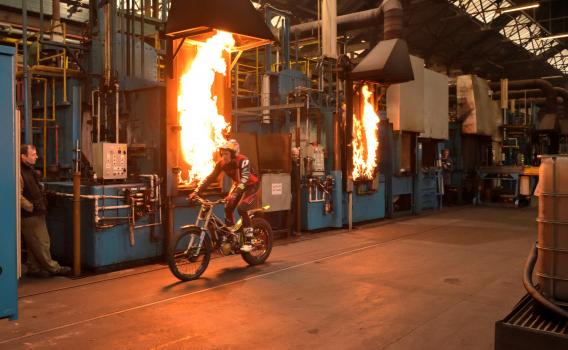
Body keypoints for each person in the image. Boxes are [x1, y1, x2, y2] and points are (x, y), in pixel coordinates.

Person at [190, 139, 259, 252]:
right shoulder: (221, 164)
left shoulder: (243, 160)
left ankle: (249, 241)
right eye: (222, 153)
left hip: (251, 185)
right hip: (238, 185)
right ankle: (231, 236)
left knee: (241, 208)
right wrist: (196, 192)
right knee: (227, 208)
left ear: (234, 154)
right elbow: (210, 178)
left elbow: (245, 179)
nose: (224, 156)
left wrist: (235, 194)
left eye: (226, 154)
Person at [20, 144, 71, 277]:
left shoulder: (29, 170)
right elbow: (17, 195)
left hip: (37, 211)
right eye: (33, 154)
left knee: (33, 243)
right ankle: (54, 268)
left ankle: (34, 268)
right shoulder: (19, 172)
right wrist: (30, 206)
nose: (36, 157)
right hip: (30, 215)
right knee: (42, 242)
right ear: (23, 156)